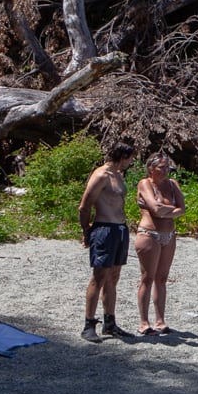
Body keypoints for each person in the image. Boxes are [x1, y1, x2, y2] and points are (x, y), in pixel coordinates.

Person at [80, 142, 136, 342]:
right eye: (130, 159)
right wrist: (87, 231)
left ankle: (110, 322)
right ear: (123, 156)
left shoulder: (118, 175)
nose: (131, 163)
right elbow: (84, 205)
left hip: (119, 229)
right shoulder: (101, 175)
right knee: (99, 276)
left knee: (113, 276)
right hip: (104, 228)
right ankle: (88, 324)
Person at [132, 152, 186, 336]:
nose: (165, 170)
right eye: (161, 167)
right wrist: (171, 210)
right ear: (151, 168)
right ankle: (143, 322)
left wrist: (165, 211)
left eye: (167, 167)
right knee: (147, 277)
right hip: (149, 234)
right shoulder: (145, 184)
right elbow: (155, 209)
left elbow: (182, 209)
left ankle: (160, 320)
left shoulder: (173, 185)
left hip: (169, 235)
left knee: (162, 279)